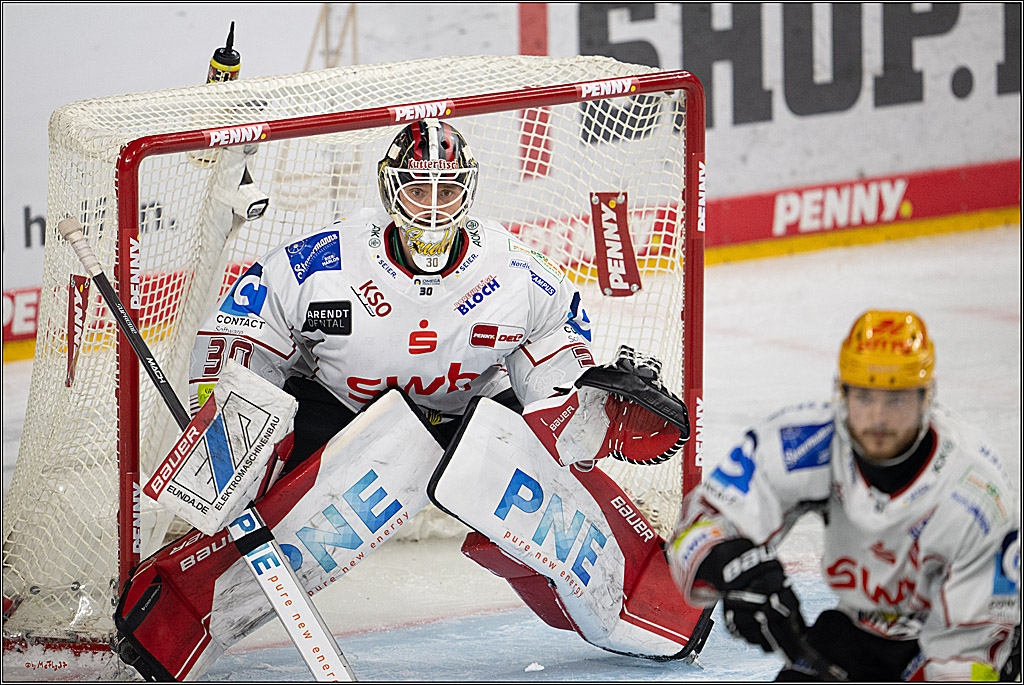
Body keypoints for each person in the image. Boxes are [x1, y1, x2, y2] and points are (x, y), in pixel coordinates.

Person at [114, 119, 707, 681]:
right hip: (343, 417)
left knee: (549, 488)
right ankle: (177, 610)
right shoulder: (318, 264)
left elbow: (553, 378)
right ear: (388, 189)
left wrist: (583, 409)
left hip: (468, 424)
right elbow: (241, 349)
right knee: (284, 512)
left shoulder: (519, 274)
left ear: (467, 190)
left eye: (447, 189)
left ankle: (647, 608)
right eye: (416, 188)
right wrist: (233, 439)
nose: (432, 206)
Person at [668, 310, 1020, 681]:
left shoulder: (975, 494)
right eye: (864, 397)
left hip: (965, 645)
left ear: (926, 399)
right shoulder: (806, 442)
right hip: (862, 628)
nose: (878, 418)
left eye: (896, 400)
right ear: (842, 393)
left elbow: (968, 662)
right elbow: (695, 531)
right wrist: (736, 570)